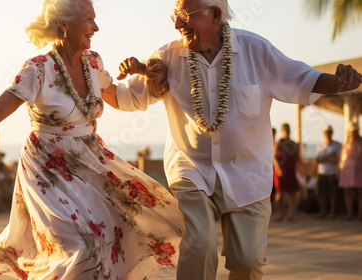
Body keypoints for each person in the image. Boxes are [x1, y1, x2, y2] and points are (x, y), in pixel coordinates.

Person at [0, 0, 184, 279]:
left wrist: (151, 85)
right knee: (80, 246)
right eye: (89, 19)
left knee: (114, 234)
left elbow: (119, 98)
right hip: (47, 166)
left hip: (91, 162)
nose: (96, 27)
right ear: (64, 24)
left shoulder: (93, 63)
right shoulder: (38, 69)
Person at [102, 0, 362, 278]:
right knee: (200, 241)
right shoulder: (166, 56)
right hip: (191, 168)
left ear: (214, 15)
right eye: (175, 16)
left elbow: (300, 79)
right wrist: (91, 69)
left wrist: (340, 82)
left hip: (248, 173)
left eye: (185, 16)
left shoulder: (256, 50)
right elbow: (124, 98)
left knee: (248, 261)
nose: (177, 24)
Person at [272, 123, 303, 222]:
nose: (287, 130)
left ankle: (291, 213)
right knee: (280, 192)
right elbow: (274, 157)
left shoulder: (293, 143)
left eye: (288, 129)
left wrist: (302, 170)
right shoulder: (280, 142)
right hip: (281, 170)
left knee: (291, 191)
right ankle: (279, 213)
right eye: (285, 129)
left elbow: (297, 158)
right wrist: (278, 169)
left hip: (291, 169)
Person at [313, 125, 342, 220]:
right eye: (326, 132)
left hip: (333, 172)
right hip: (322, 172)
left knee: (333, 193)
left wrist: (326, 158)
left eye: (329, 132)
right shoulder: (320, 146)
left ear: (332, 133)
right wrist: (327, 158)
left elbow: (338, 159)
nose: (327, 134)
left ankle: (332, 213)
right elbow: (317, 159)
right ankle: (323, 211)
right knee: (320, 192)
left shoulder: (337, 145)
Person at [339, 122, 362, 221]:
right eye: (352, 131)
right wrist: (338, 169)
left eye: (355, 131)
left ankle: (359, 214)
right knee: (347, 192)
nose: (353, 133)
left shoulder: (360, 143)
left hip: (359, 170)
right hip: (347, 171)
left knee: (360, 193)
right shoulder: (346, 144)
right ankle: (350, 213)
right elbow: (341, 158)